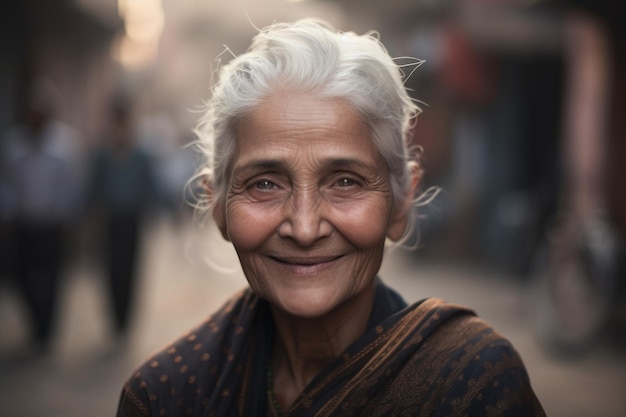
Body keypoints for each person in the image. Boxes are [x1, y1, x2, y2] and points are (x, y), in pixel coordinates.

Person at [116, 19, 545, 416]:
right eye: (265, 184)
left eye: (345, 182)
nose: (304, 228)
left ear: (400, 203)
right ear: (217, 207)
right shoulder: (168, 396)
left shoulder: (474, 384)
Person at [0, 78, 82, 352]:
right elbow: (8, 184)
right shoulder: (14, 145)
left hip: (52, 226)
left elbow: (71, 186)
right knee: (22, 276)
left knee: (52, 279)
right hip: (24, 224)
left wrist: (68, 219)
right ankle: (35, 323)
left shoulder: (65, 145)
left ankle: (46, 331)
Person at [85, 97, 161, 337]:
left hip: (132, 220)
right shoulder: (102, 154)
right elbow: (93, 189)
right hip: (110, 220)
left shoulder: (140, 154)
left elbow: (150, 186)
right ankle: (115, 318)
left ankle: (126, 319)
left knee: (130, 268)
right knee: (110, 269)